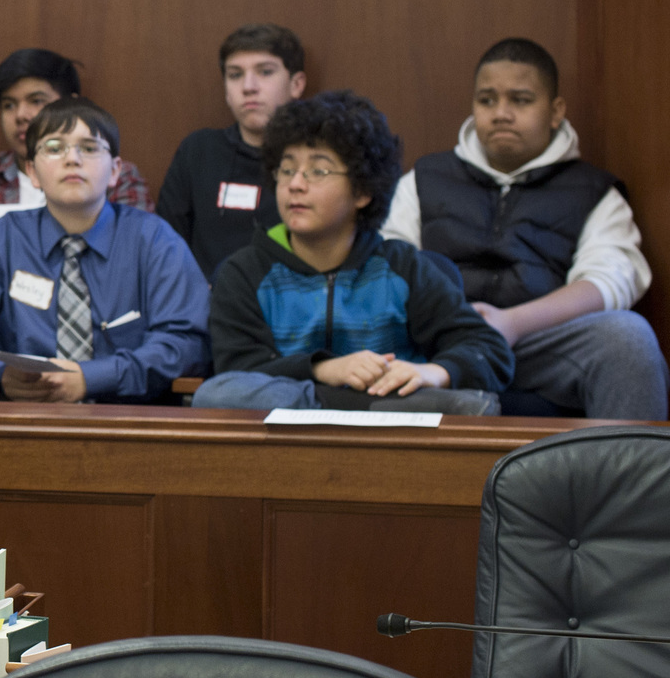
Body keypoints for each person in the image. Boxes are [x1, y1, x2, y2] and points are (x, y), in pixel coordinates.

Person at [381, 39, 666, 419]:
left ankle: (624, 480)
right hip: (436, 339)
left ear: (555, 111)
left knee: (628, 339)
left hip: (537, 345)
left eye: (520, 100)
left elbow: (610, 280)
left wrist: (512, 323)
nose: (501, 113)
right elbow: (386, 262)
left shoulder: (594, 191)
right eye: (487, 100)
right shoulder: (423, 180)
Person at [192, 93, 512, 414]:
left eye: (318, 171)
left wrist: (432, 373)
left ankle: (354, 407)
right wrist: (323, 370)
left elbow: (490, 350)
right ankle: (360, 408)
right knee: (216, 394)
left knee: (474, 405)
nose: (296, 184)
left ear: (362, 191)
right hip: (286, 440)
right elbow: (238, 369)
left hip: (393, 442)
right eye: (287, 170)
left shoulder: (403, 267)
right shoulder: (245, 272)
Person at [0, 97, 208, 402]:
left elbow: (186, 342)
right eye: (55, 148)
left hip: (130, 417)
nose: (72, 159)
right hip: (22, 415)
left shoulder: (155, 241)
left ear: (115, 170)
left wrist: (92, 378)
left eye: (89, 147)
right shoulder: (1, 240)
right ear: (32, 171)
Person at [0, 48, 154, 272]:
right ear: (32, 171)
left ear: (71, 105)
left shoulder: (111, 176)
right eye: (9, 105)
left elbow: (138, 262)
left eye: (36, 101)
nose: (21, 115)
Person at [157, 24, 308, 280]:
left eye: (265, 72)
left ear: (296, 84)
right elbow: (166, 245)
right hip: (205, 308)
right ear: (226, 91)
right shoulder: (198, 151)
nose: (249, 86)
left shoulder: (314, 159)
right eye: (235, 75)